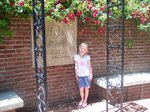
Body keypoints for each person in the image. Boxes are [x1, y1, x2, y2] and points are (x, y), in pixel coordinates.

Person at [74, 43, 93, 107]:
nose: (82, 50)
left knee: (86, 89)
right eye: (81, 48)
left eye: (84, 49)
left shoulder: (87, 57)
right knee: (81, 89)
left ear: (86, 50)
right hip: (80, 76)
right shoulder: (76, 56)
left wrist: (91, 74)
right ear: (79, 48)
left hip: (87, 75)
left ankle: (85, 101)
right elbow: (76, 66)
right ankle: (82, 100)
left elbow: (90, 66)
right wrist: (76, 74)